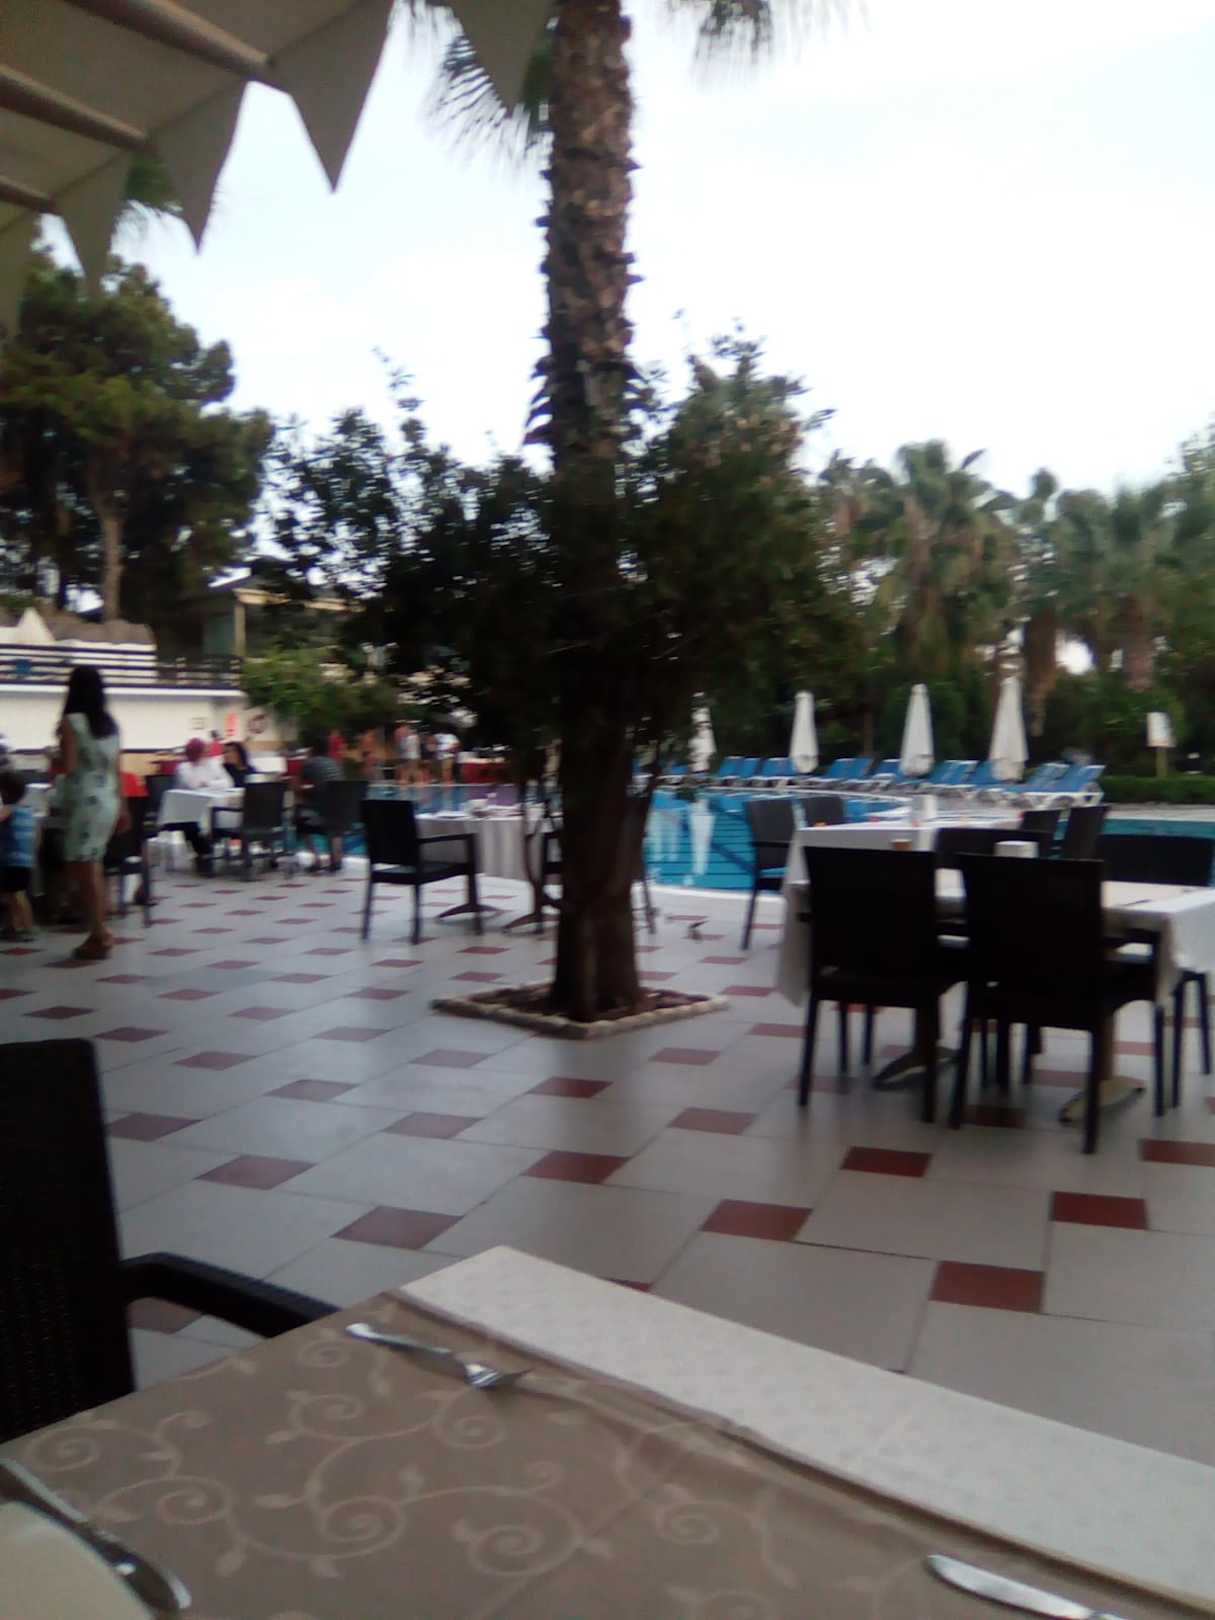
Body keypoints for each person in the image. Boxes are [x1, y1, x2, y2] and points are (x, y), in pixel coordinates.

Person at [57, 665, 124, 960]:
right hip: (108, 799)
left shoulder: (71, 722)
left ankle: (99, 933)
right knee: (91, 864)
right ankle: (98, 930)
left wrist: (55, 755)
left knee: (82, 867)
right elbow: (117, 770)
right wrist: (123, 808)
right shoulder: (110, 725)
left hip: (85, 799)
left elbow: (70, 766)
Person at [171, 737, 229, 874]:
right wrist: (214, 783)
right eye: (204, 751)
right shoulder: (184, 767)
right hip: (185, 808)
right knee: (190, 821)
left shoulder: (213, 764)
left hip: (213, 804)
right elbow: (193, 785)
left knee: (220, 816)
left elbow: (228, 782)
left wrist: (208, 783)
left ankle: (207, 851)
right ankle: (203, 853)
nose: (208, 753)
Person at [294, 733, 343, 873]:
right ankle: (336, 858)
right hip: (343, 814)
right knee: (331, 810)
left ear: (312, 748)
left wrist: (307, 758)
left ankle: (316, 859)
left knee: (299, 816)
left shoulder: (310, 763)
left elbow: (297, 786)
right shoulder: (334, 763)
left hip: (324, 814)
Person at [0, 770, 37, 942]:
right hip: (25, 860)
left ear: (5, 792)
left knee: (16, 895)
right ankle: (11, 926)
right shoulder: (28, 811)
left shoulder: (8, 810)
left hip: (12, 860)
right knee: (12, 894)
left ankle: (27, 927)